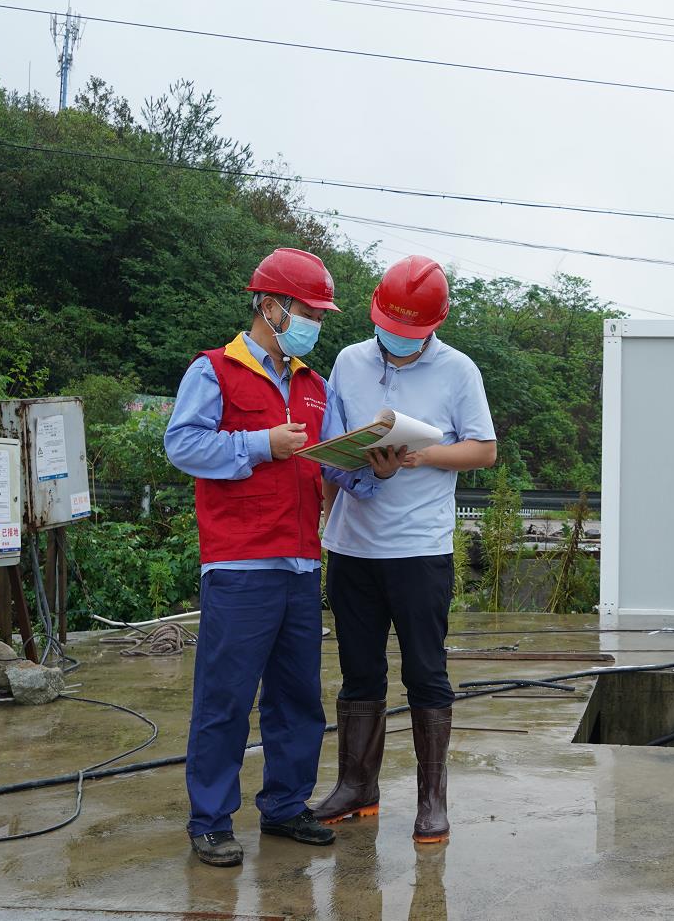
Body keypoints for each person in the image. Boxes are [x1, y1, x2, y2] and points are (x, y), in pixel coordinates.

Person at [163, 247, 341, 866]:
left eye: (318, 315)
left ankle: (286, 806)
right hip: (240, 564)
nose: (313, 323)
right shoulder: (214, 369)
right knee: (226, 699)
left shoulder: (315, 386)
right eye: (307, 312)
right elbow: (183, 445)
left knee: (298, 700)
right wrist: (262, 444)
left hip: (301, 564)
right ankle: (211, 820)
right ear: (269, 305)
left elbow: (328, 466)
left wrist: (371, 465)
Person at [312, 255, 496, 845]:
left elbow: (484, 449)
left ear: (435, 325)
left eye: (409, 331)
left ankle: (432, 801)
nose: (395, 340)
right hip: (352, 546)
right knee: (359, 671)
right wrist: (327, 515)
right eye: (388, 327)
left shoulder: (458, 370)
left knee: (425, 672)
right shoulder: (349, 361)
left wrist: (422, 455)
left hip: (419, 549)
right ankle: (357, 786)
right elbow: (331, 447)